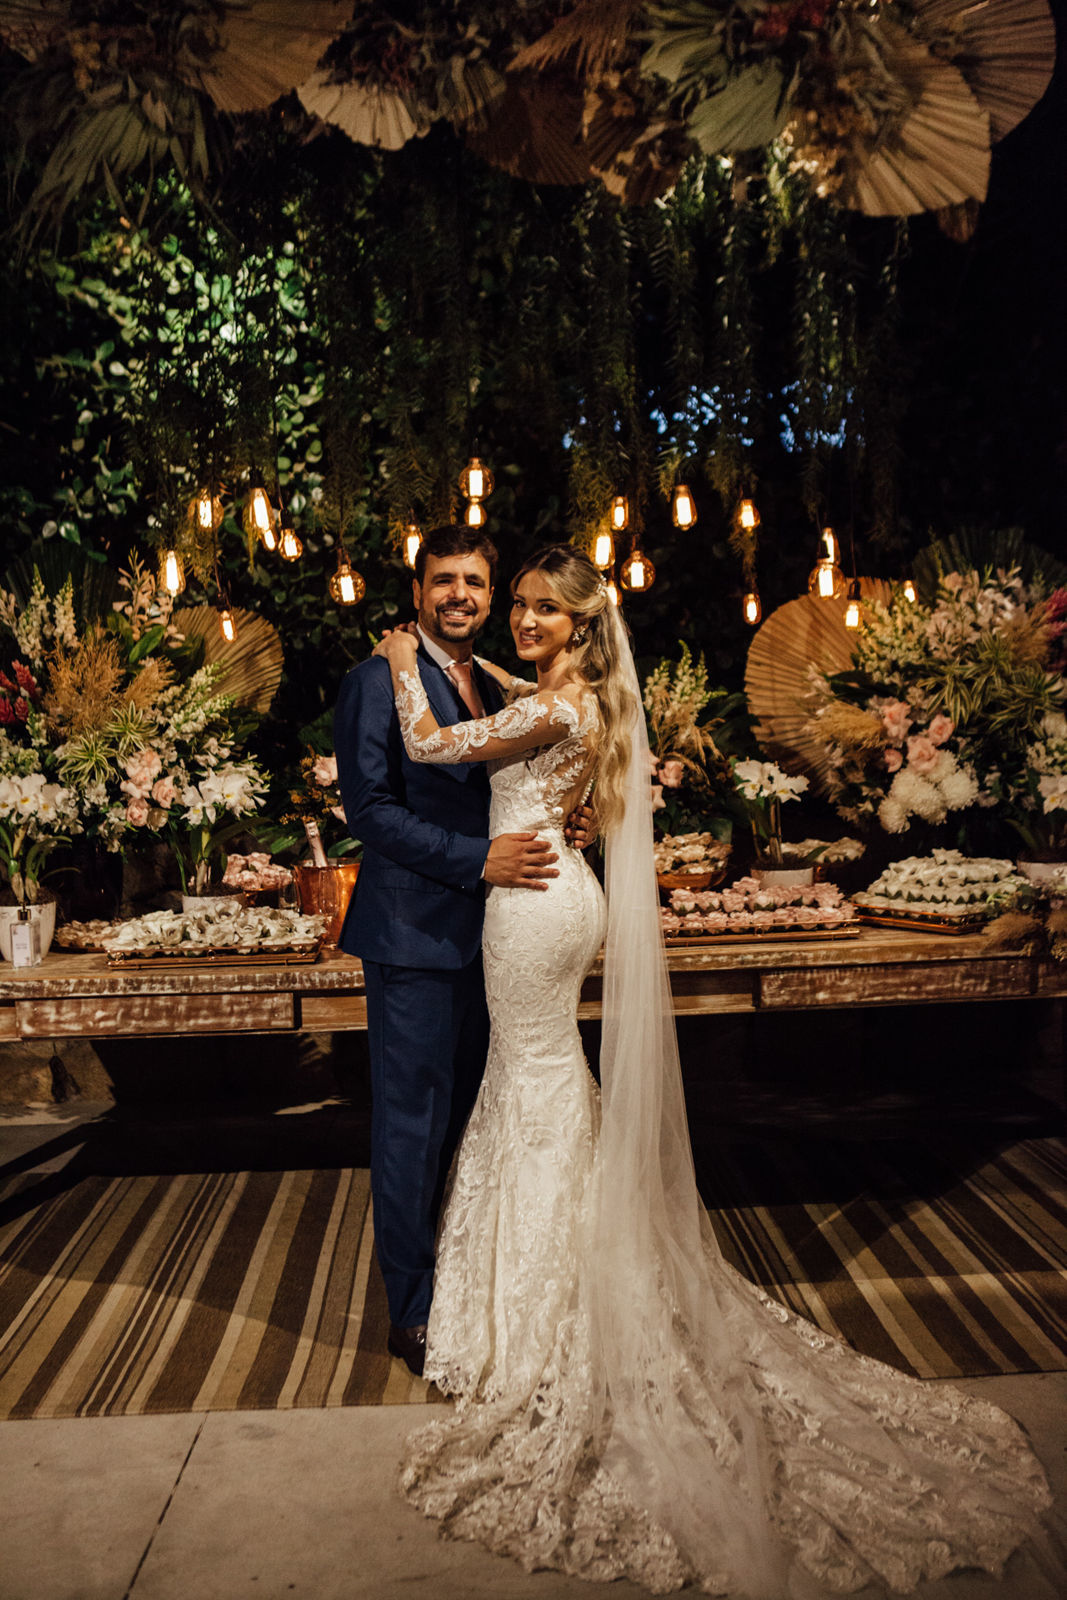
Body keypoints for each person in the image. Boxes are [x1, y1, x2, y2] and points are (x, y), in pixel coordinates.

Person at [372, 541, 1057, 1598]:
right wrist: (504, 670)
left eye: (540, 609)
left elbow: (429, 743)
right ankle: (549, 1281)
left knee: (537, 1083)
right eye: (515, 604)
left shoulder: (555, 707)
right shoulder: (572, 693)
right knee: (541, 1078)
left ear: (579, 622)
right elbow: (519, 695)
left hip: (531, 908)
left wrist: (397, 660)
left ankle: (548, 1308)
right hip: (557, 899)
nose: (518, 620)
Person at [334, 524, 590, 1379]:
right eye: (444, 581)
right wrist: (475, 858)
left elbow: (528, 778)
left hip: (503, 941)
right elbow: (368, 811)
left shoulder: (493, 682)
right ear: (417, 591)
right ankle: (411, 1313)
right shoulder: (376, 681)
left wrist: (569, 817)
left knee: (485, 1127)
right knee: (412, 1127)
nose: (461, 597)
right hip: (414, 937)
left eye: (476, 585)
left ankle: (484, 1283)